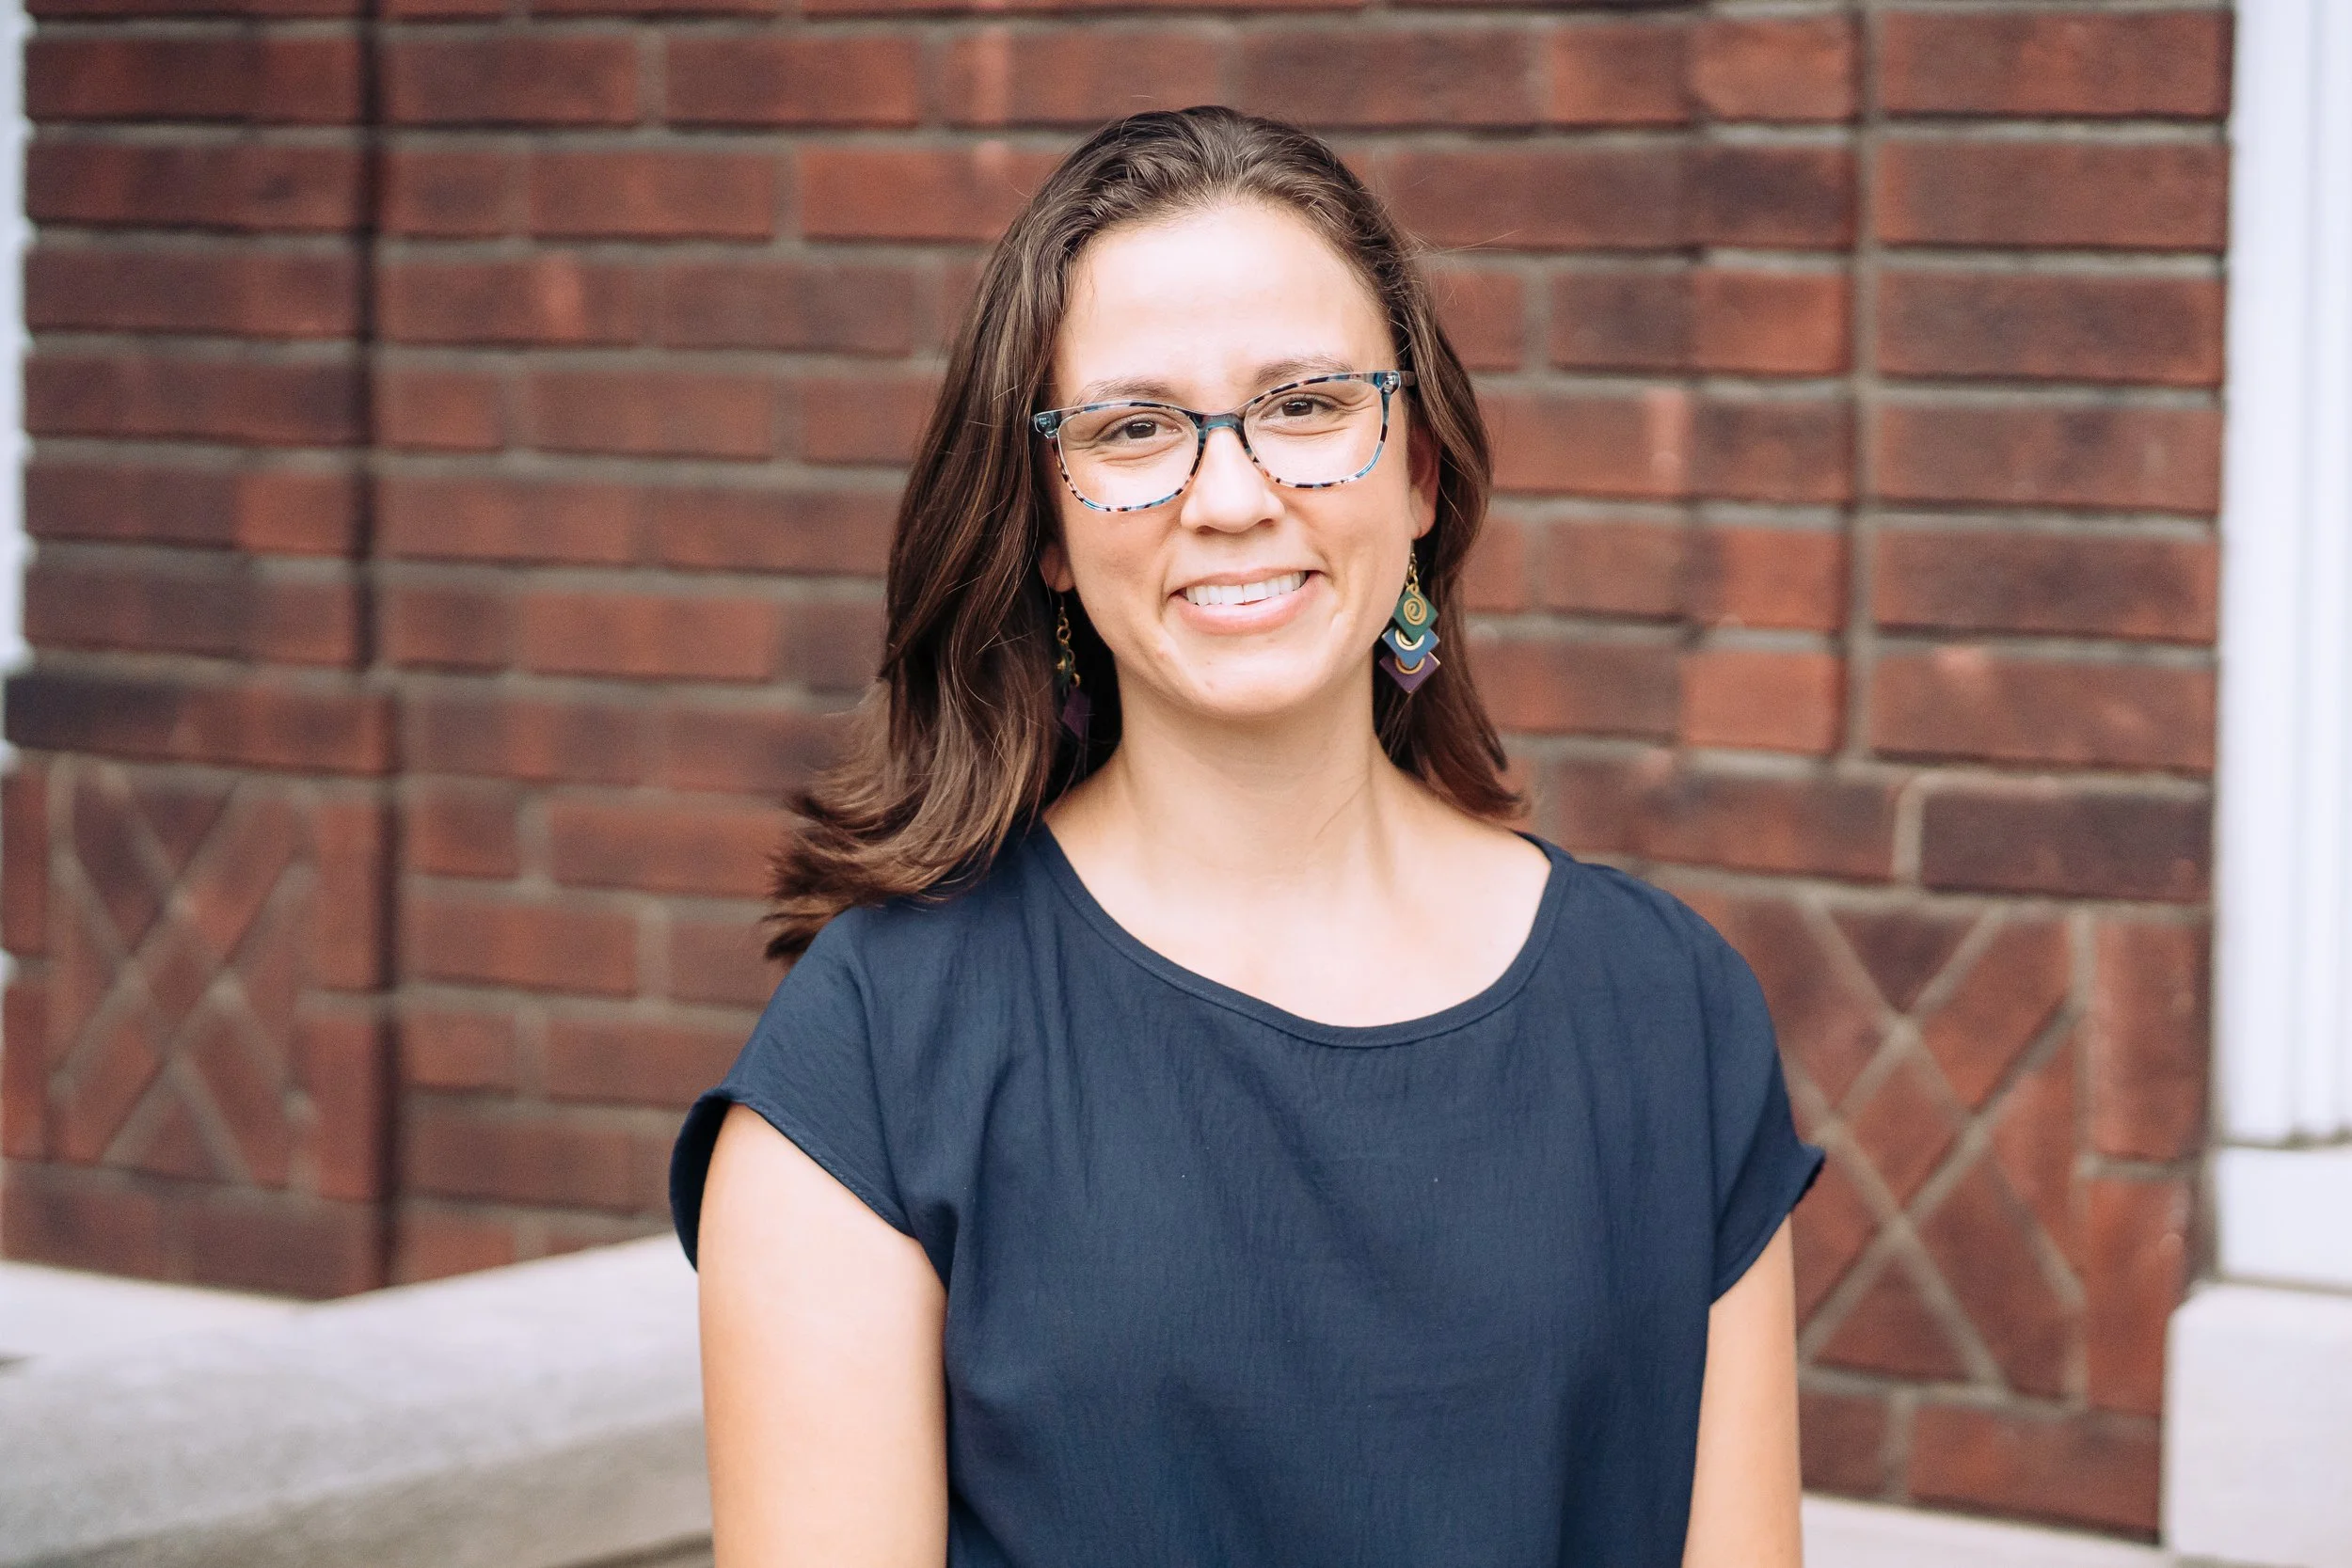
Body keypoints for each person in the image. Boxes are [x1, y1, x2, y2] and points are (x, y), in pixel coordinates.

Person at [668, 105, 1823, 1568]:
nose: (1231, 497)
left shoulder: (1673, 1017)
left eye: (1308, 404)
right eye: (1134, 429)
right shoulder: (876, 1057)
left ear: (1419, 470)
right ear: (1044, 527)